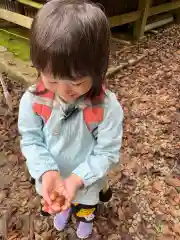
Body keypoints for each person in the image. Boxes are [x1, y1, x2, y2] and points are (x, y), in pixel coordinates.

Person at [18, 0, 123, 238]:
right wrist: (46, 171)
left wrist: (77, 180)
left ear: (98, 68)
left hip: (85, 177)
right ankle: (63, 211)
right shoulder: (34, 100)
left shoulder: (106, 107)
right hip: (53, 174)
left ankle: (85, 219)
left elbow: (106, 152)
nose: (64, 90)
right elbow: (31, 139)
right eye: (52, 79)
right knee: (59, 200)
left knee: (85, 204)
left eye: (75, 82)